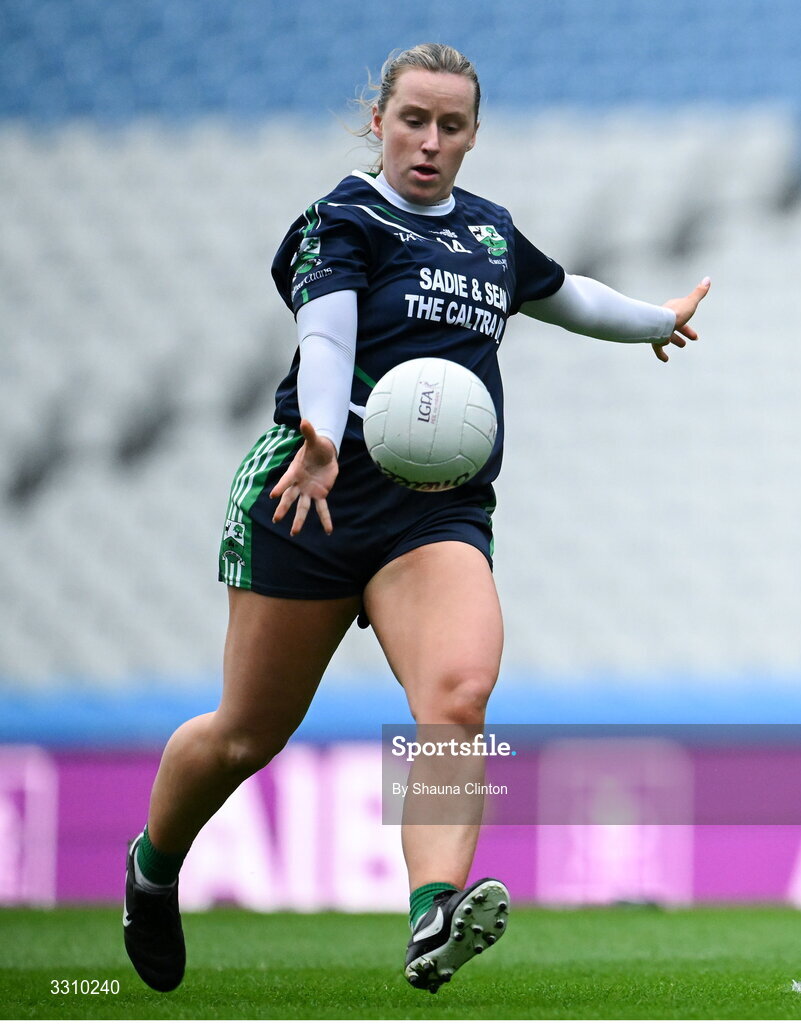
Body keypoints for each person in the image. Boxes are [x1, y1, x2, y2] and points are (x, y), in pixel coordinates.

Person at [122, 42, 710, 995]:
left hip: (431, 514)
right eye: (412, 120)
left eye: (450, 126)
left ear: (473, 136)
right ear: (378, 120)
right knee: (245, 735)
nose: (429, 142)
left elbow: (566, 297)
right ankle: (151, 871)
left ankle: (433, 910)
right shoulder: (340, 219)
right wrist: (319, 434)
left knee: (458, 696)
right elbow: (328, 329)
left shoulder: (487, 235)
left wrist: (656, 319)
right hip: (306, 493)